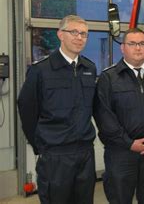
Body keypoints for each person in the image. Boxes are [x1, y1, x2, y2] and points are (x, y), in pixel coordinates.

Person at [18, 15, 97, 204]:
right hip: (55, 155)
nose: (80, 38)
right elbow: (26, 108)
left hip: (85, 153)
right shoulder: (41, 70)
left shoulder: (90, 68)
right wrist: (40, 145)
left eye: (84, 34)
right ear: (60, 34)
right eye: (74, 32)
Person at [94, 28, 144, 204]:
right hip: (121, 154)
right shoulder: (108, 78)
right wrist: (130, 144)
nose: (138, 48)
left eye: (142, 43)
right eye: (132, 44)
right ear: (123, 48)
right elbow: (104, 117)